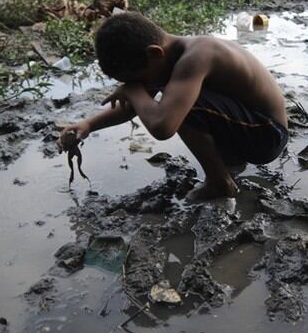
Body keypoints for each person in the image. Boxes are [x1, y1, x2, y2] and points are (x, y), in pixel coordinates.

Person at [57, 12, 289, 201]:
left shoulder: (197, 56)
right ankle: (229, 164)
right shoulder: (165, 58)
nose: (140, 87)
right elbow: (137, 105)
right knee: (174, 102)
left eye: (138, 80)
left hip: (268, 136)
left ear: (154, 53)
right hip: (249, 127)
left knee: (180, 109)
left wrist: (131, 90)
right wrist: (87, 125)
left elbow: (163, 125)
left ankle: (220, 183)